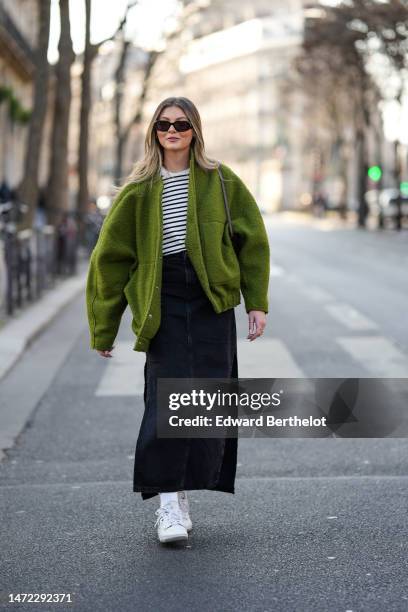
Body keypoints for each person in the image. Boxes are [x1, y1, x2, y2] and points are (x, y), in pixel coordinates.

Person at [86, 96, 270, 544]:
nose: (172, 131)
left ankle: (182, 491)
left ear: (195, 131)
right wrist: (104, 326)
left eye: (181, 124)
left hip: (211, 300)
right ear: (154, 132)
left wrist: (256, 302)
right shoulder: (138, 190)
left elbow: (253, 242)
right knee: (166, 401)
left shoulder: (221, 181)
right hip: (162, 298)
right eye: (164, 125)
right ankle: (168, 502)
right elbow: (109, 262)